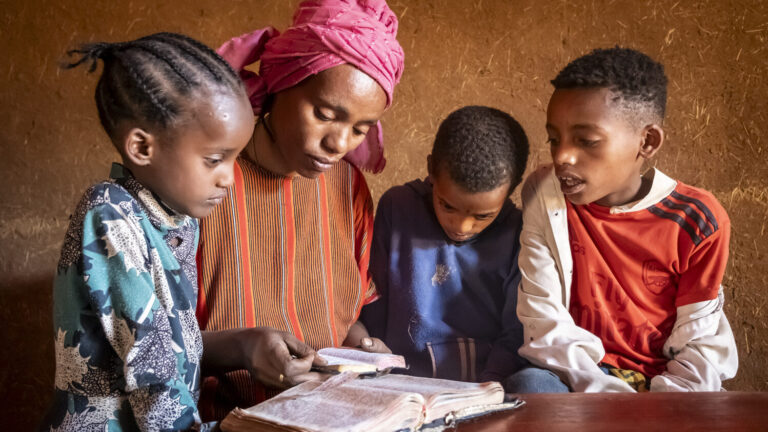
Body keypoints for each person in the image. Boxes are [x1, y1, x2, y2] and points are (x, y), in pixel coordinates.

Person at [40, 32, 268, 430]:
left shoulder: (176, 219)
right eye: (214, 159)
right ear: (142, 148)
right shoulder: (109, 213)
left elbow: (181, 344)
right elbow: (150, 360)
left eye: (234, 159)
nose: (229, 179)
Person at [195, 0, 405, 419]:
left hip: (331, 414)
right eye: (325, 115)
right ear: (280, 84)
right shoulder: (204, 182)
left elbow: (345, 318)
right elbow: (154, 340)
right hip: (223, 417)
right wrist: (243, 346)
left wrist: (363, 350)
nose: (340, 143)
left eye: (360, 129)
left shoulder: (349, 187)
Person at [510, 47, 738, 393]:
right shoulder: (545, 193)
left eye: (587, 141)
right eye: (554, 139)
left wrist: (653, 408)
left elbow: (701, 341)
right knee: (530, 386)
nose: (562, 156)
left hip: (668, 384)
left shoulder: (697, 219)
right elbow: (544, 323)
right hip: (578, 375)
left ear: (647, 142)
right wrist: (611, 400)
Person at [360, 106, 530, 387]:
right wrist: (377, 359)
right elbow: (374, 304)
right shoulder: (399, 208)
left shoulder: (518, 233)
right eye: (447, 205)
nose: (462, 227)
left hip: (486, 385)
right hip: (399, 382)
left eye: (483, 216)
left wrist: (488, 388)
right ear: (431, 170)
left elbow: (516, 332)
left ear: (512, 189)